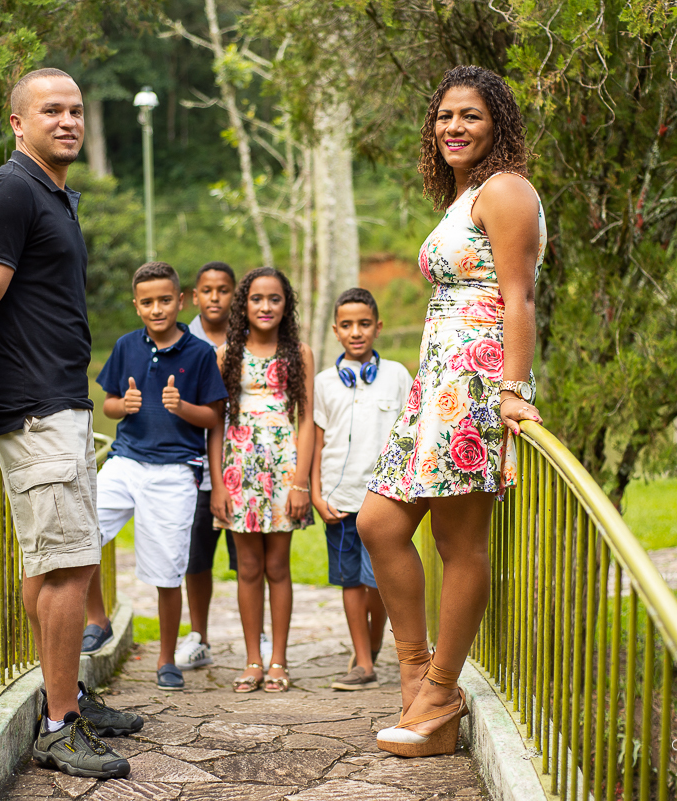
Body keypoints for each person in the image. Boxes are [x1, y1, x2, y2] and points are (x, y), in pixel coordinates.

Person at [0, 67, 132, 778]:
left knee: (57, 560)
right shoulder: (8, 190)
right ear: (18, 122)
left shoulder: (53, 195)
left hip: (61, 403)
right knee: (68, 564)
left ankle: (67, 697)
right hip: (33, 407)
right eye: (51, 109)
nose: (68, 120)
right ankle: (58, 727)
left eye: (77, 109)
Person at [358, 65, 546, 758]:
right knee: (378, 522)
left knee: (459, 545)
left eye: (469, 115)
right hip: (438, 385)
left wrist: (513, 394)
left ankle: (440, 690)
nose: (453, 128)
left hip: (476, 382)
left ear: (496, 121)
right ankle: (420, 672)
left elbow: (519, 297)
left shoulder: (507, 189)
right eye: (444, 117)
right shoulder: (467, 192)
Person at [83, 261, 227, 691]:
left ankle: (167, 659)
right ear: (136, 306)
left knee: (167, 570)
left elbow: (215, 418)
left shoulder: (199, 353)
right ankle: (98, 619)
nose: (157, 308)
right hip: (126, 461)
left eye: (165, 300)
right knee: (82, 533)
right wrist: (122, 405)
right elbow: (107, 403)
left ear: (180, 301)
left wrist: (181, 407)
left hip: (175, 471)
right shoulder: (127, 345)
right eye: (147, 302)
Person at [208, 267, 314, 694]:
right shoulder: (225, 353)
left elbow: (306, 421)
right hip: (239, 469)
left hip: (283, 468)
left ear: (285, 304)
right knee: (247, 568)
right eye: (256, 299)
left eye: (274, 299)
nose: (265, 306)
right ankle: (252, 659)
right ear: (244, 305)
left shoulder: (298, 353)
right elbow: (216, 424)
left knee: (277, 566)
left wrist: (300, 482)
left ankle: (278, 660)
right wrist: (218, 483)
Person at [311, 288, 409, 692]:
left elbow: (409, 435)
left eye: (364, 324)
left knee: (379, 581)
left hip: (384, 501)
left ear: (378, 327)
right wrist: (316, 494)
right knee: (351, 580)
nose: (356, 332)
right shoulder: (323, 383)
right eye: (347, 325)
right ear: (336, 331)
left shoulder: (398, 375)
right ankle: (364, 662)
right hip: (340, 500)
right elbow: (317, 443)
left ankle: (371, 641)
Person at [174, 261, 246, 672]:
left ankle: (255, 637)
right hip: (194, 466)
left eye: (223, 289)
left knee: (247, 561)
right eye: (207, 290)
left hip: (241, 470)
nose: (215, 297)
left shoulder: (250, 338)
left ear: (233, 295)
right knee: (196, 559)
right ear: (195, 296)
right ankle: (198, 635)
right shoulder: (183, 342)